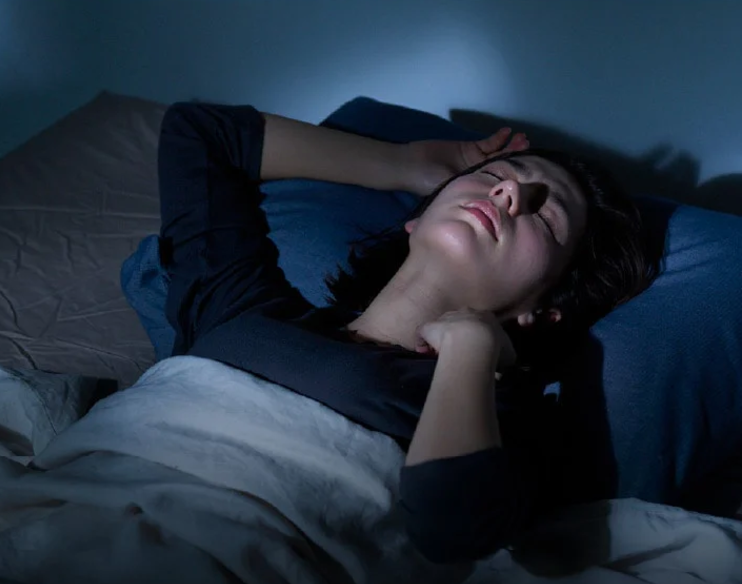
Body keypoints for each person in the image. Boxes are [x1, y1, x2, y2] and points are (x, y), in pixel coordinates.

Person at [157, 101, 655, 564]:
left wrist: (470, 349)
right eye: (493, 175)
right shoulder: (241, 304)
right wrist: (404, 164)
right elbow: (202, 133)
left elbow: (452, 530)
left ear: (543, 311)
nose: (508, 193)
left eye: (545, 216)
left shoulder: (500, 418)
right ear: (416, 218)